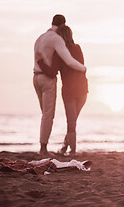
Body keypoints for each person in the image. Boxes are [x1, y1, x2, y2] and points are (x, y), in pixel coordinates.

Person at [33, 14, 87, 156]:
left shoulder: (40, 37)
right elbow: (68, 61)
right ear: (63, 25)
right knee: (50, 115)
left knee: (47, 114)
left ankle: (62, 147)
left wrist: (38, 63)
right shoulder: (58, 40)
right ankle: (44, 149)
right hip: (49, 78)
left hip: (36, 77)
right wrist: (83, 68)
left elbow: (43, 58)